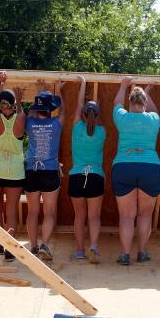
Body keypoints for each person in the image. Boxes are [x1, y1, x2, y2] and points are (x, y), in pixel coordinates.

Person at [112, 76, 160, 266]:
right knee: (145, 215)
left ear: (130, 102)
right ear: (145, 103)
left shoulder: (122, 117)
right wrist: (147, 94)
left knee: (126, 215)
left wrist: (124, 85)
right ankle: (142, 252)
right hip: (150, 167)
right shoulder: (153, 119)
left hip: (124, 166)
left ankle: (125, 255)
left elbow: (116, 103)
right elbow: (155, 111)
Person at [0, 71, 26, 262]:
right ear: (15, 104)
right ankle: (10, 247)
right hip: (15, 171)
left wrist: (0, 83)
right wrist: (20, 102)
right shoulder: (21, 118)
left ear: (1, 104)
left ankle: (0, 243)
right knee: (11, 210)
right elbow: (20, 111)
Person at [67, 75, 106, 263]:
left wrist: (83, 83)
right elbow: (96, 119)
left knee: (79, 216)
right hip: (95, 177)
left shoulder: (76, 127)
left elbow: (78, 105)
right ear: (97, 116)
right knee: (94, 217)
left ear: (82, 114)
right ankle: (94, 247)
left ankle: (80, 251)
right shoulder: (102, 132)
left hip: (76, 176)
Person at [24, 81, 64, 260]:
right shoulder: (57, 123)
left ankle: (32, 246)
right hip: (50, 172)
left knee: (32, 212)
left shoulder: (30, 121)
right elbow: (64, 110)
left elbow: (33, 111)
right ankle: (44, 246)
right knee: (49, 212)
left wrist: (39, 94)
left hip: (32, 171)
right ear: (51, 109)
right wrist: (59, 92)